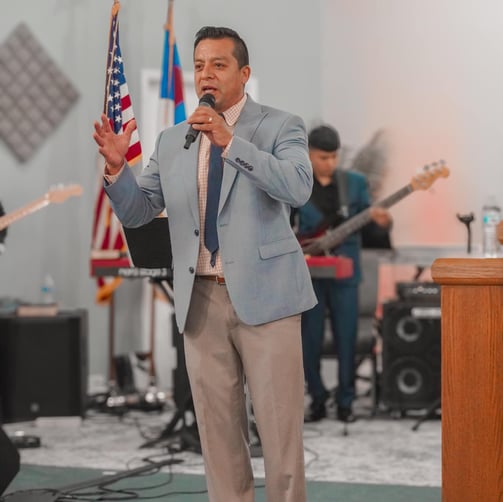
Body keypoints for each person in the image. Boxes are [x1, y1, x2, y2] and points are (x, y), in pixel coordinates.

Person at [93, 26, 316, 502]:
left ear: (244, 73)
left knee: (279, 435)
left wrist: (231, 143)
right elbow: (138, 211)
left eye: (218, 64)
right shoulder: (174, 139)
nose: (205, 74)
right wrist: (117, 169)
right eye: (198, 66)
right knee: (218, 437)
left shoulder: (281, 126)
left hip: (268, 299)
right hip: (200, 301)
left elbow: (298, 187)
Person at [298, 125, 392, 423]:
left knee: (347, 338)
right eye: (323, 157)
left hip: (346, 272)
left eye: (334, 157)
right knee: (308, 339)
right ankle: (317, 397)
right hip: (309, 273)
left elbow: (372, 231)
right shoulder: (297, 183)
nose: (330, 163)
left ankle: (346, 402)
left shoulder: (354, 183)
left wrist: (382, 222)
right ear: (309, 154)